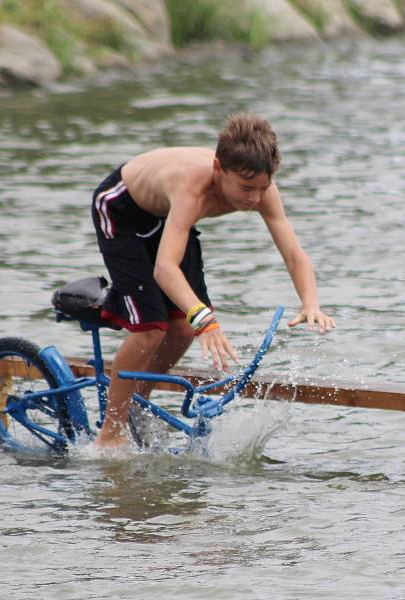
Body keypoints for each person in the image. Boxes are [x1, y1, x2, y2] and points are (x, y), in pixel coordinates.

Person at [91, 113, 335, 447]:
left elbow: (294, 253)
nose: (253, 198)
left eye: (262, 188)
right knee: (151, 329)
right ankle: (111, 432)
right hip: (121, 210)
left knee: (182, 328)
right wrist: (206, 320)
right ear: (218, 169)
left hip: (168, 217)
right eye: (246, 188)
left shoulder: (262, 189)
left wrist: (310, 302)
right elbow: (165, 269)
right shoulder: (193, 187)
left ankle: (138, 404)